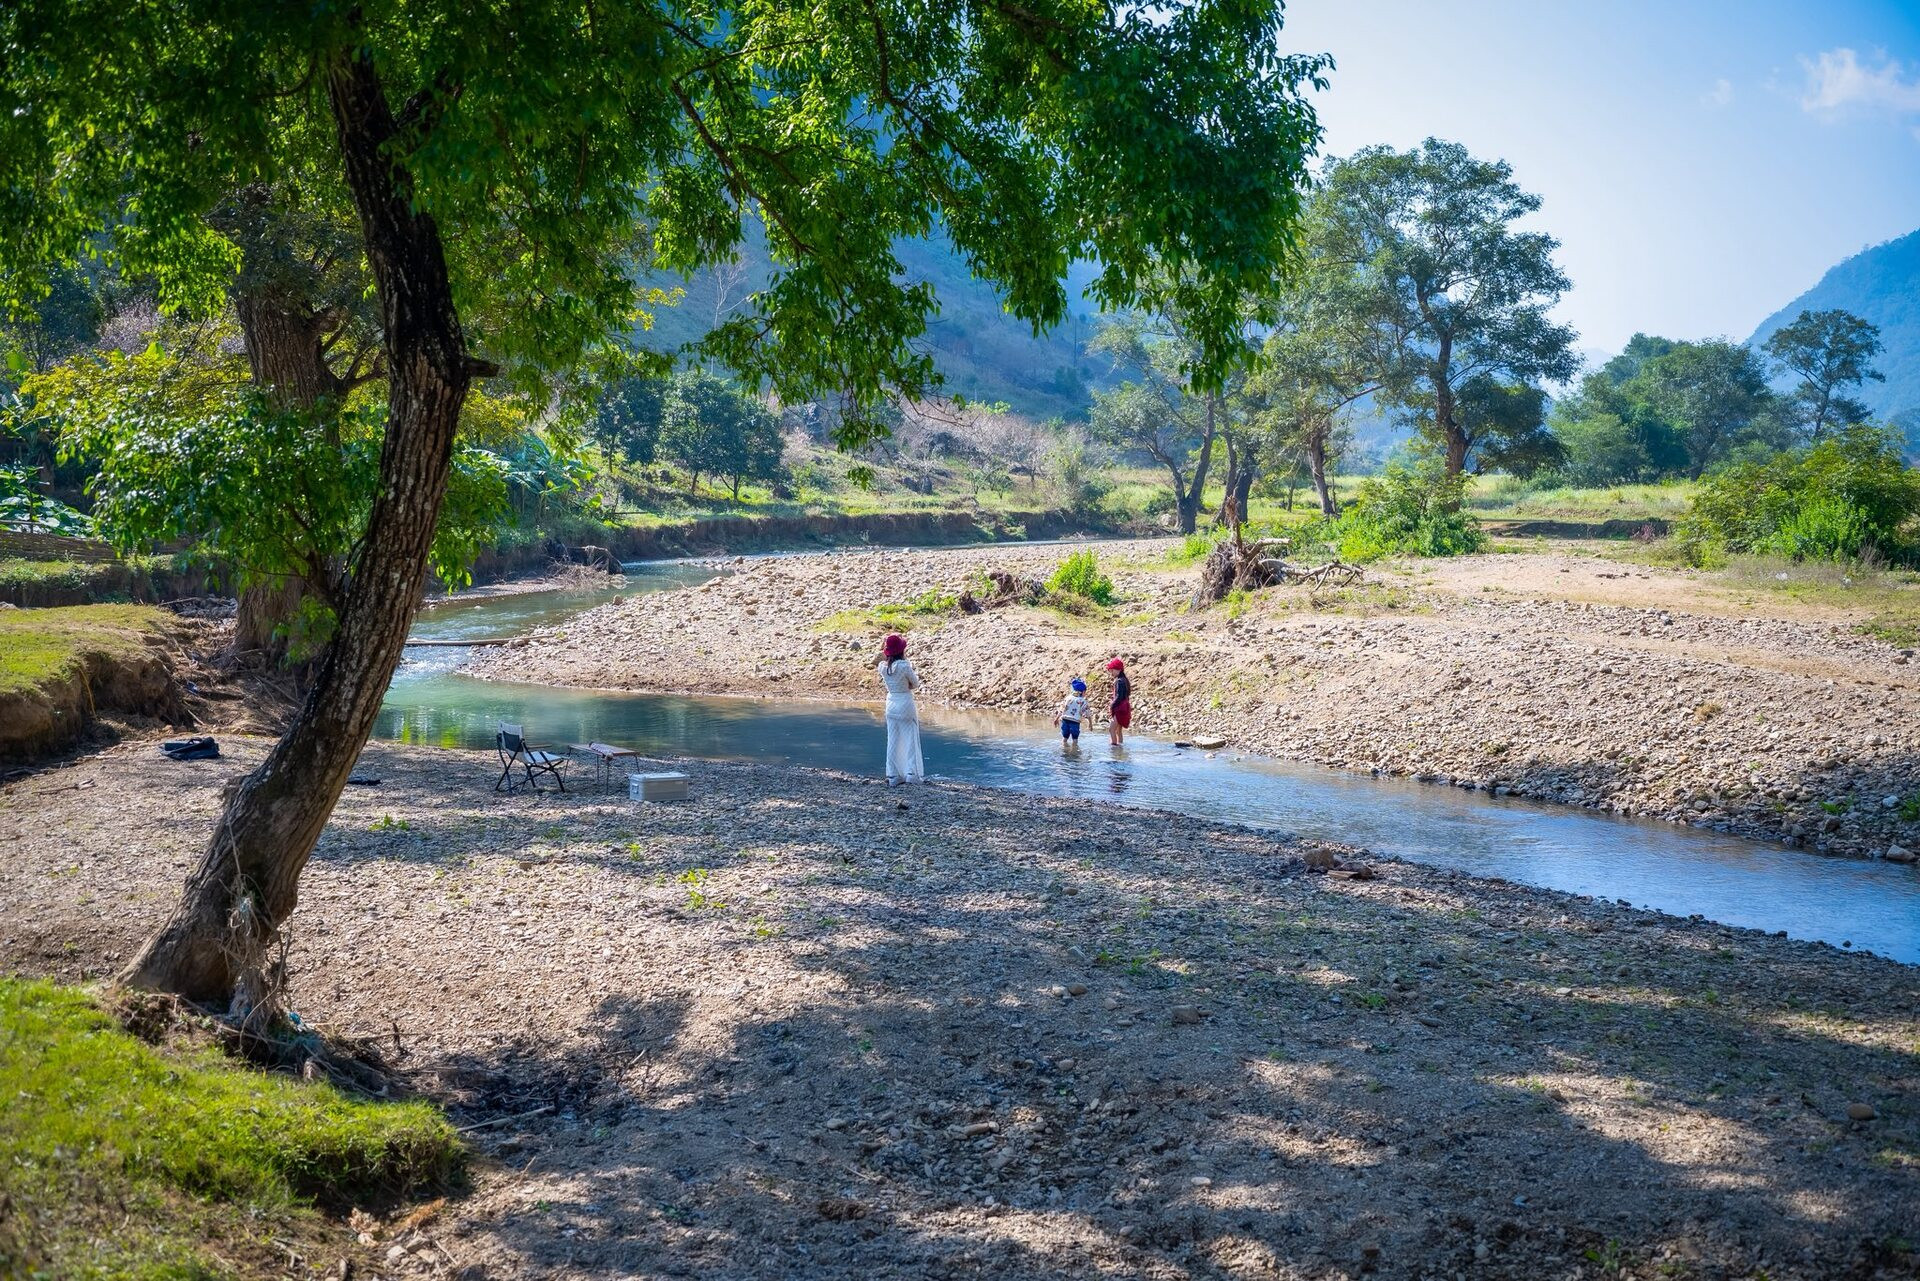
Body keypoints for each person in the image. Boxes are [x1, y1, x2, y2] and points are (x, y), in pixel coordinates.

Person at [876, 632, 924, 785]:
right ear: (901, 651)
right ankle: (911, 773)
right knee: (910, 738)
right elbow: (915, 683)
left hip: (891, 703)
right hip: (905, 702)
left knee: (893, 739)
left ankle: (893, 775)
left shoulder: (883, 668)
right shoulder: (904, 666)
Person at [1054, 677, 1089, 748]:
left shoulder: (1068, 698)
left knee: (1064, 738)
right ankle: (1074, 752)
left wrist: (1056, 718)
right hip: (1075, 722)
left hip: (1065, 720)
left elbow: (1061, 709)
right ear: (1083, 692)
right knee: (1075, 739)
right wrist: (1090, 724)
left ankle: (1064, 750)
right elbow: (1087, 714)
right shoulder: (1083, 701)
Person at [1105, 656, 1132, 746]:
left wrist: (1112, 706)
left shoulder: (1119, 681)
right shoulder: (1125, 680)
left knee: (1112, 729)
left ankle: (1114, 749)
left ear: (1118, 669)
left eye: (1112, 670)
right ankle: (1120, 746)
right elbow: (1125, 695)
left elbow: (1119, 696)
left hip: (1120, 708)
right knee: (1118, 730)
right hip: (1125, 707)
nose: (1111, 673)